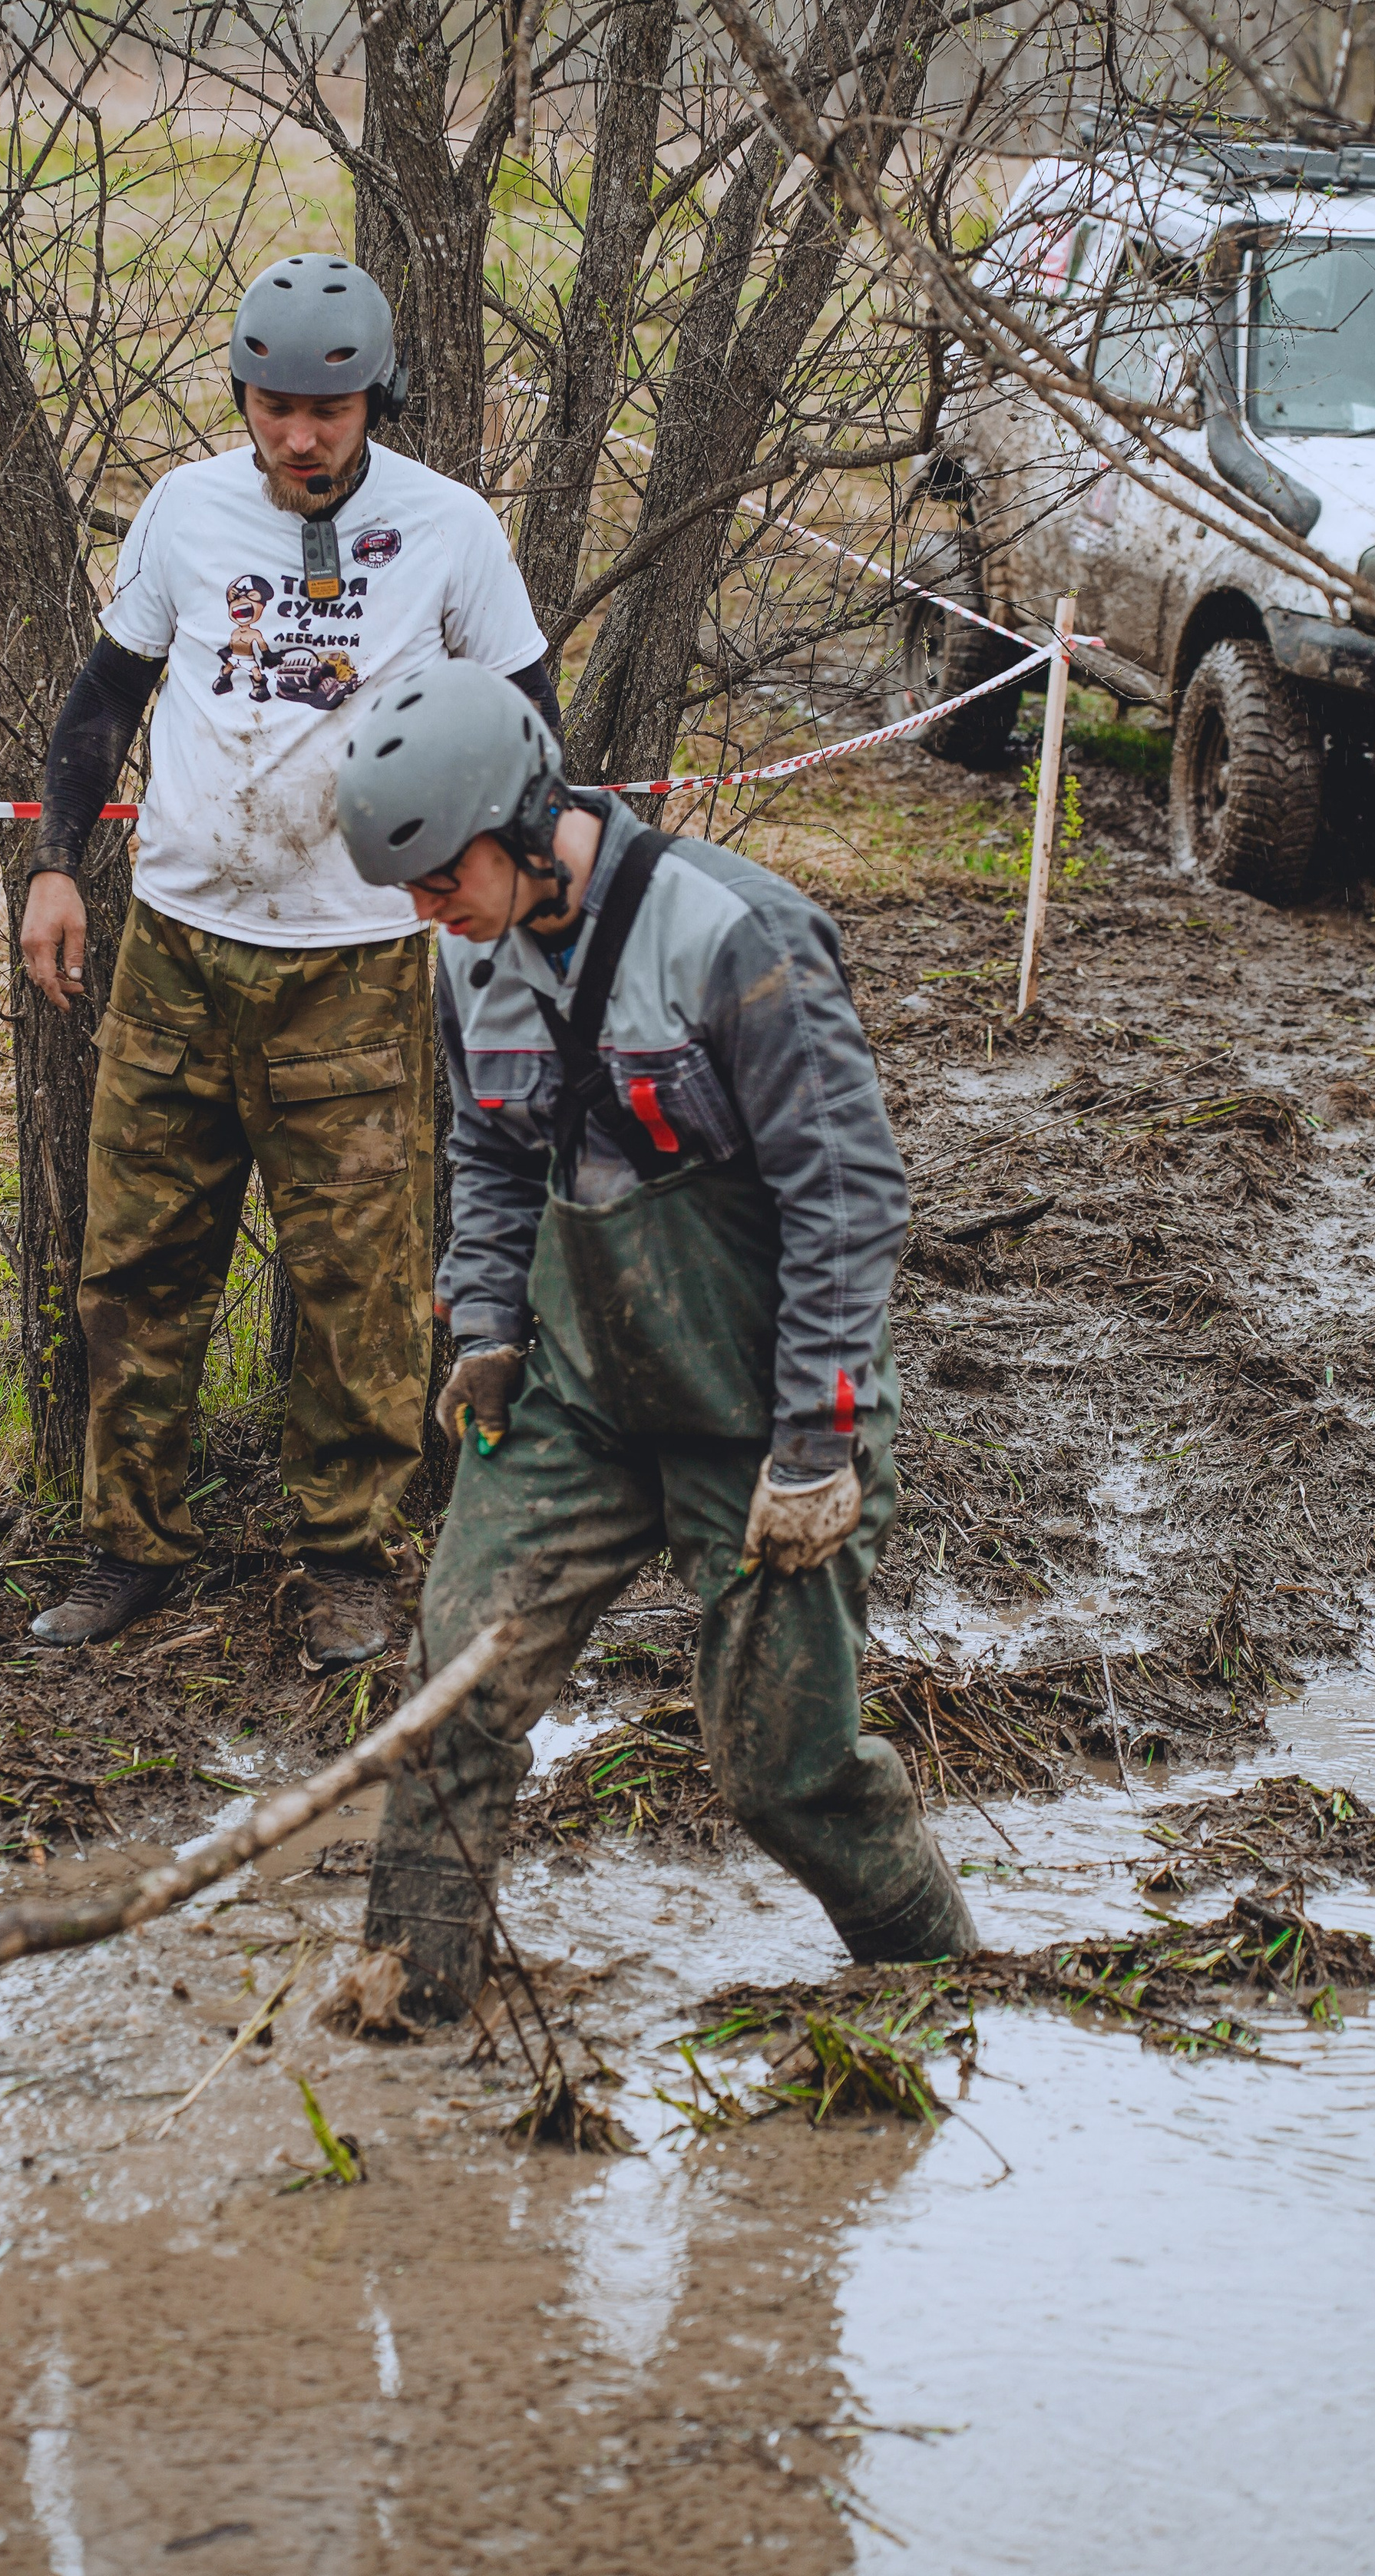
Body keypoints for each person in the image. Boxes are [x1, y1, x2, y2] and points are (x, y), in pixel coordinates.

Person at [330, 663, 980, 2015]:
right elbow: (493, 1157)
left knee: (782, 1777)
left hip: (762, 1418)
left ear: (520, 821)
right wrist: (491, 1327)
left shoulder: (736, 939)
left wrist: (820, 1438)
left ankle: (950, 1989)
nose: (426, 912)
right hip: (575, 1399)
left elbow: (845, 1197)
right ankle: (406, 2006)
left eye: (441, 876)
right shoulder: (468, 958)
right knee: (449, 1697)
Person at [18, 255, 555, 1673]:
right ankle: (129, 1546)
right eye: (275, 406)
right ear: (243, 397)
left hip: (362, 962)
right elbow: (106, 695)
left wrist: (519, 901)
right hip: (182, 955)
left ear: (373, 400)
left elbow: (531, 720)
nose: (302, 436)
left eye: (330, 409)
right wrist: (60, 863)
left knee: (360, 1284)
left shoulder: (449, 530)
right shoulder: (185, 513)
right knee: (135, 1265)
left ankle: (346, 1563)